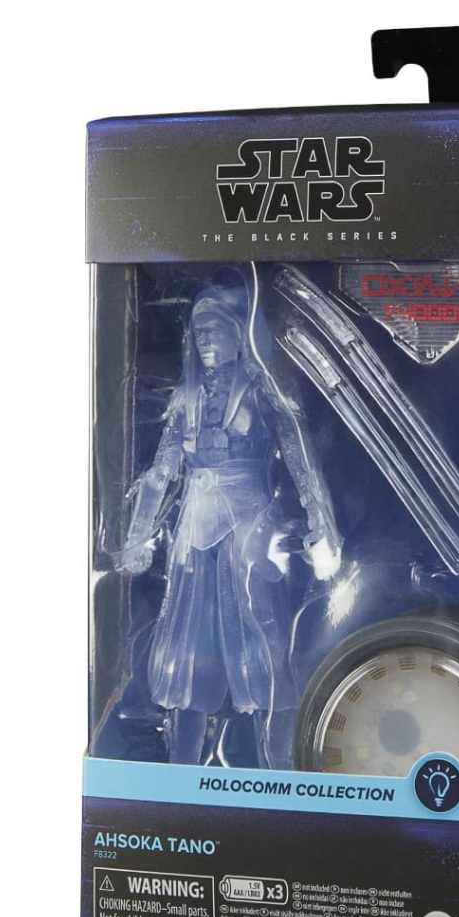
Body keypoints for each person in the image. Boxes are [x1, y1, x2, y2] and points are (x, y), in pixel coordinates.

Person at [117, 280, 341, 766]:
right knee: (189, 660)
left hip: (251, 534)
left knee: (264, 648)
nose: (205, 339)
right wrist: (138, 538)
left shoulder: (262, 389)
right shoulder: (186, 398)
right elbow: (160, 473)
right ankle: (181, 772)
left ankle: (281, 768)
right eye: (199, 331)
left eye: (215, 328)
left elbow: (301, 460)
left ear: (240, 334)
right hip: (194, 538)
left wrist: (322, 526)